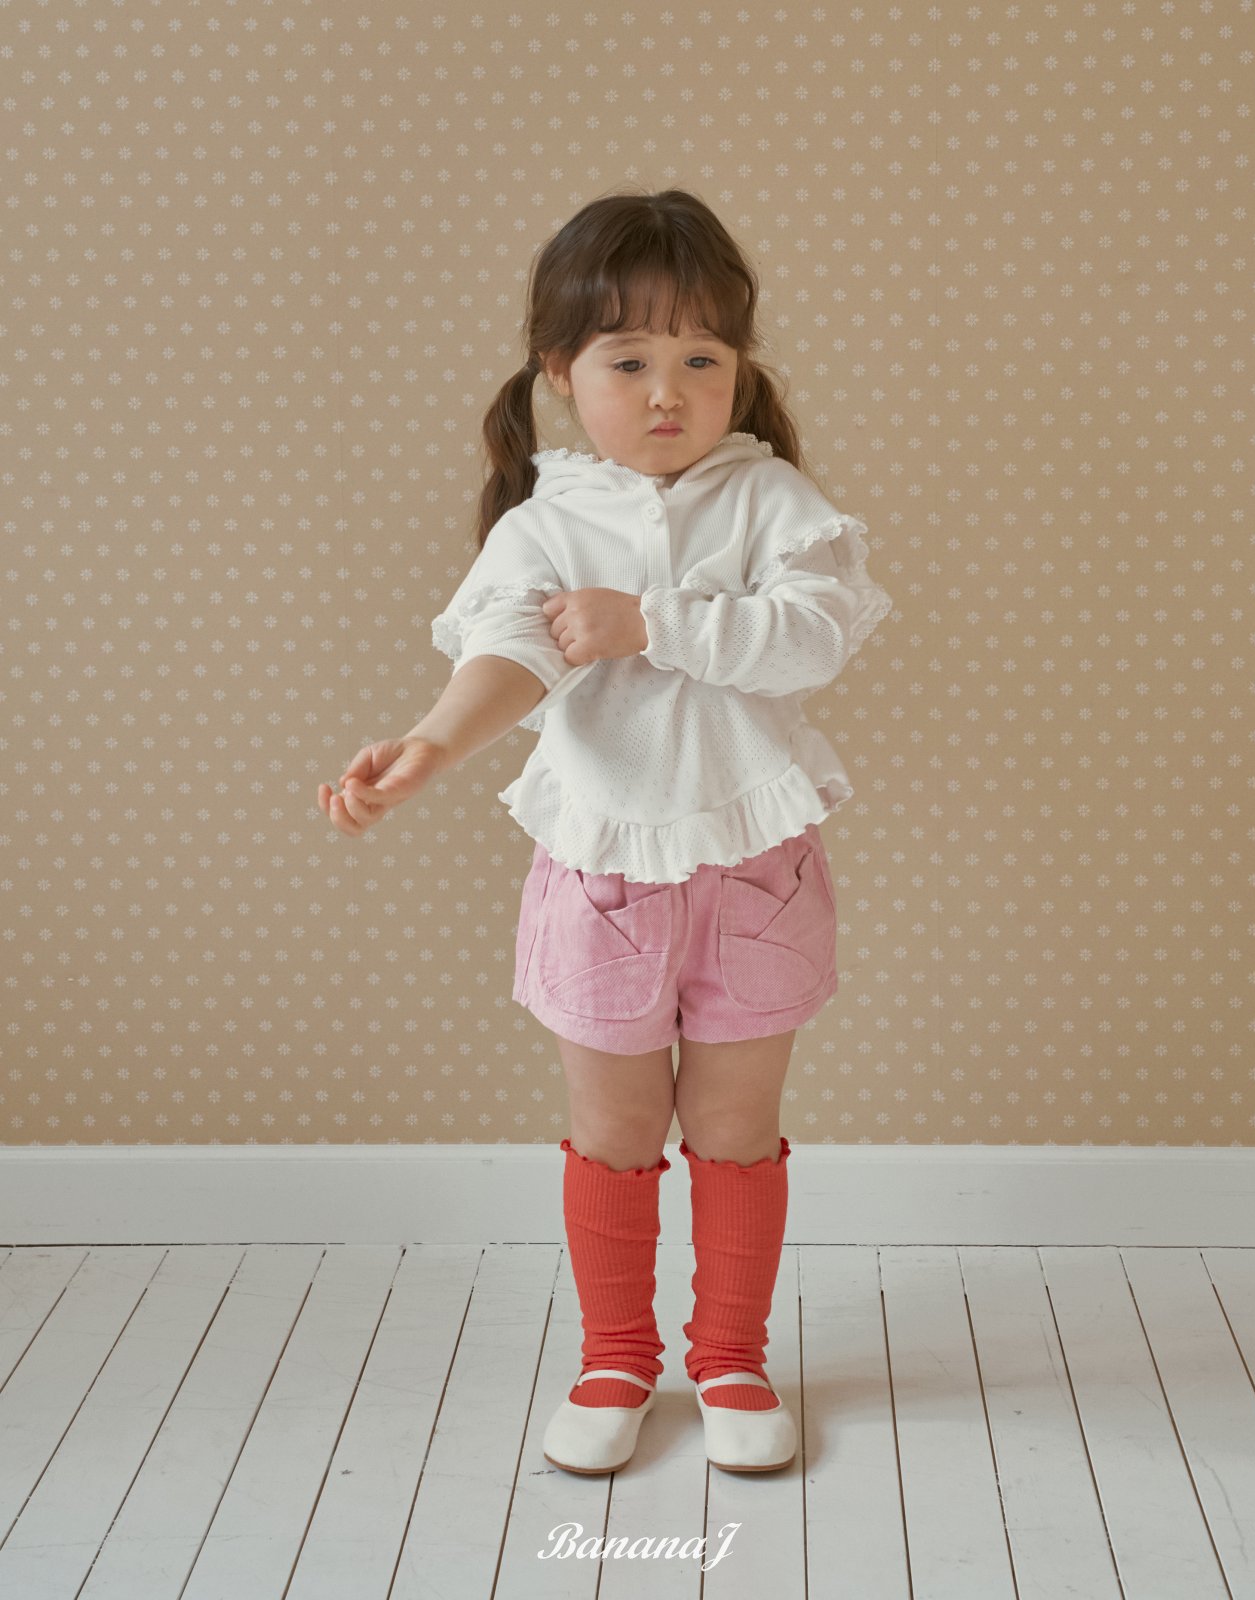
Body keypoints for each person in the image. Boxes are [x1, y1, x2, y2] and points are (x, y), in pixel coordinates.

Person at [318, 187, 894, 1477]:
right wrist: (428, 746)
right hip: (603, 879)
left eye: (702, 358)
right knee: (616, 1134)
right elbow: (506, 654)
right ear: (559, 372)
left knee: (736, 1132)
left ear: (740, 368)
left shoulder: (773, 500)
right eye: (628, 361)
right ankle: (616, 1357)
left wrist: (653, 623)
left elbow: (813, 636)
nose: (668, 391)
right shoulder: (545, 523)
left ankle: (732, 1357)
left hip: (755, 869)